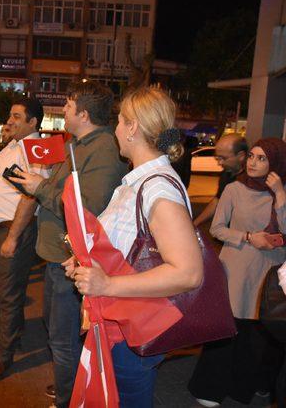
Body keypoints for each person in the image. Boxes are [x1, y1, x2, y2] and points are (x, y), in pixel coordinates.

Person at [58, 87, 203, 407]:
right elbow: (126, 248)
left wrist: (107, 283)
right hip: (120, 322)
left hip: (133, 330)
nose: (116, 130)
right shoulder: (139, 180)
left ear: (134, 127)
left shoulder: (158, 188)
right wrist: (86, 263)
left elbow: (189, 273)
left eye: (121, 121)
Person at [10, 81, 127, 408]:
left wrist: (40, 188)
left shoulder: (103, 150)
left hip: (73, 261)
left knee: (62, 340)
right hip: (58, 257)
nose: (63, 110)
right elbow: (67, 190)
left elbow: (87, 208)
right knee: (57, 331)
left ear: (85, 114)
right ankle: (70, 386)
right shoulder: (78, 143)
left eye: (69, 105)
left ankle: (69, 400)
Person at [189, 137, 286, 407]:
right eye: (252, 156)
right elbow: (218, 228)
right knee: (228, 329)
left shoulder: (282, 192)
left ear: (276, 163)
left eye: (262, 158)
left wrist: (279, 195)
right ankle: (209, 388)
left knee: (259, 335)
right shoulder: (234, 188)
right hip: (237, 266)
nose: (253, 163)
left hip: (270, 271)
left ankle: (247, 386)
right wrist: (246, 236)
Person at [0, 98, 50, 383]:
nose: (10, 120)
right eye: (10, 115)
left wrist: (12, 236)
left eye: (17, 116)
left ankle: (4, 357)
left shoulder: (36, 149)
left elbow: (31, 197)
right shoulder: (13, 144)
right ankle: (6, 338)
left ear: (33, 122)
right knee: (5, 291)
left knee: (9, 295)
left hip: (14, 230)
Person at [193, 134, 248, 227]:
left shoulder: (252, 180)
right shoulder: (226, 173)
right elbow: (218, 201)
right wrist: (195, 223)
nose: (219, 162)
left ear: (241, 156)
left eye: (224, 158)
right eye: (217, 158)